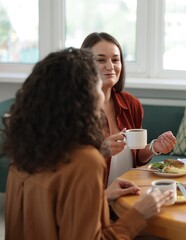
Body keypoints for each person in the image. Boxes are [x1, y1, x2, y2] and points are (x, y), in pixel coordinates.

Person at [4, 47, 173, 239]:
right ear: (82, 98)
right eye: (96, 86)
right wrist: (139, 213)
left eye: (115, 60)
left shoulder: (24, 150)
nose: (102, 95)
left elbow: (52, 213)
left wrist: (102, 197)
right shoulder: (86, 160)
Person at [81, 32, 176, 186]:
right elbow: (66, 167)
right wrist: (100, 151)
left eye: (115, 60)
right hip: (95, 199)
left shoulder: (131, 104)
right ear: (84, 64)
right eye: (101, 60)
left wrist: (154, 147)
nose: (110, 66)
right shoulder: (75, 109)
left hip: (129, 194)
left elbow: (137, 156)